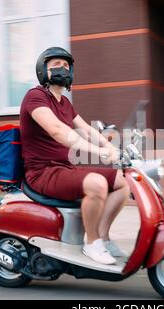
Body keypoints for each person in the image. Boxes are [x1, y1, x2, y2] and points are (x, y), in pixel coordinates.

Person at [19, 47, 130, 265]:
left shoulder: (65, 103)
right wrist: (100, 153)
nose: (63, 69)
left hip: (63, 169)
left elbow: (87, 130)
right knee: (97, 184)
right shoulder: (36, 97)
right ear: (43, 71)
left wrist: (115, 148)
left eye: (66, 66)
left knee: (123, 182)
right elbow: (58, 131)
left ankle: (103, 238)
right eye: (56, 66)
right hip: (42, 172)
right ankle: (92, 243)